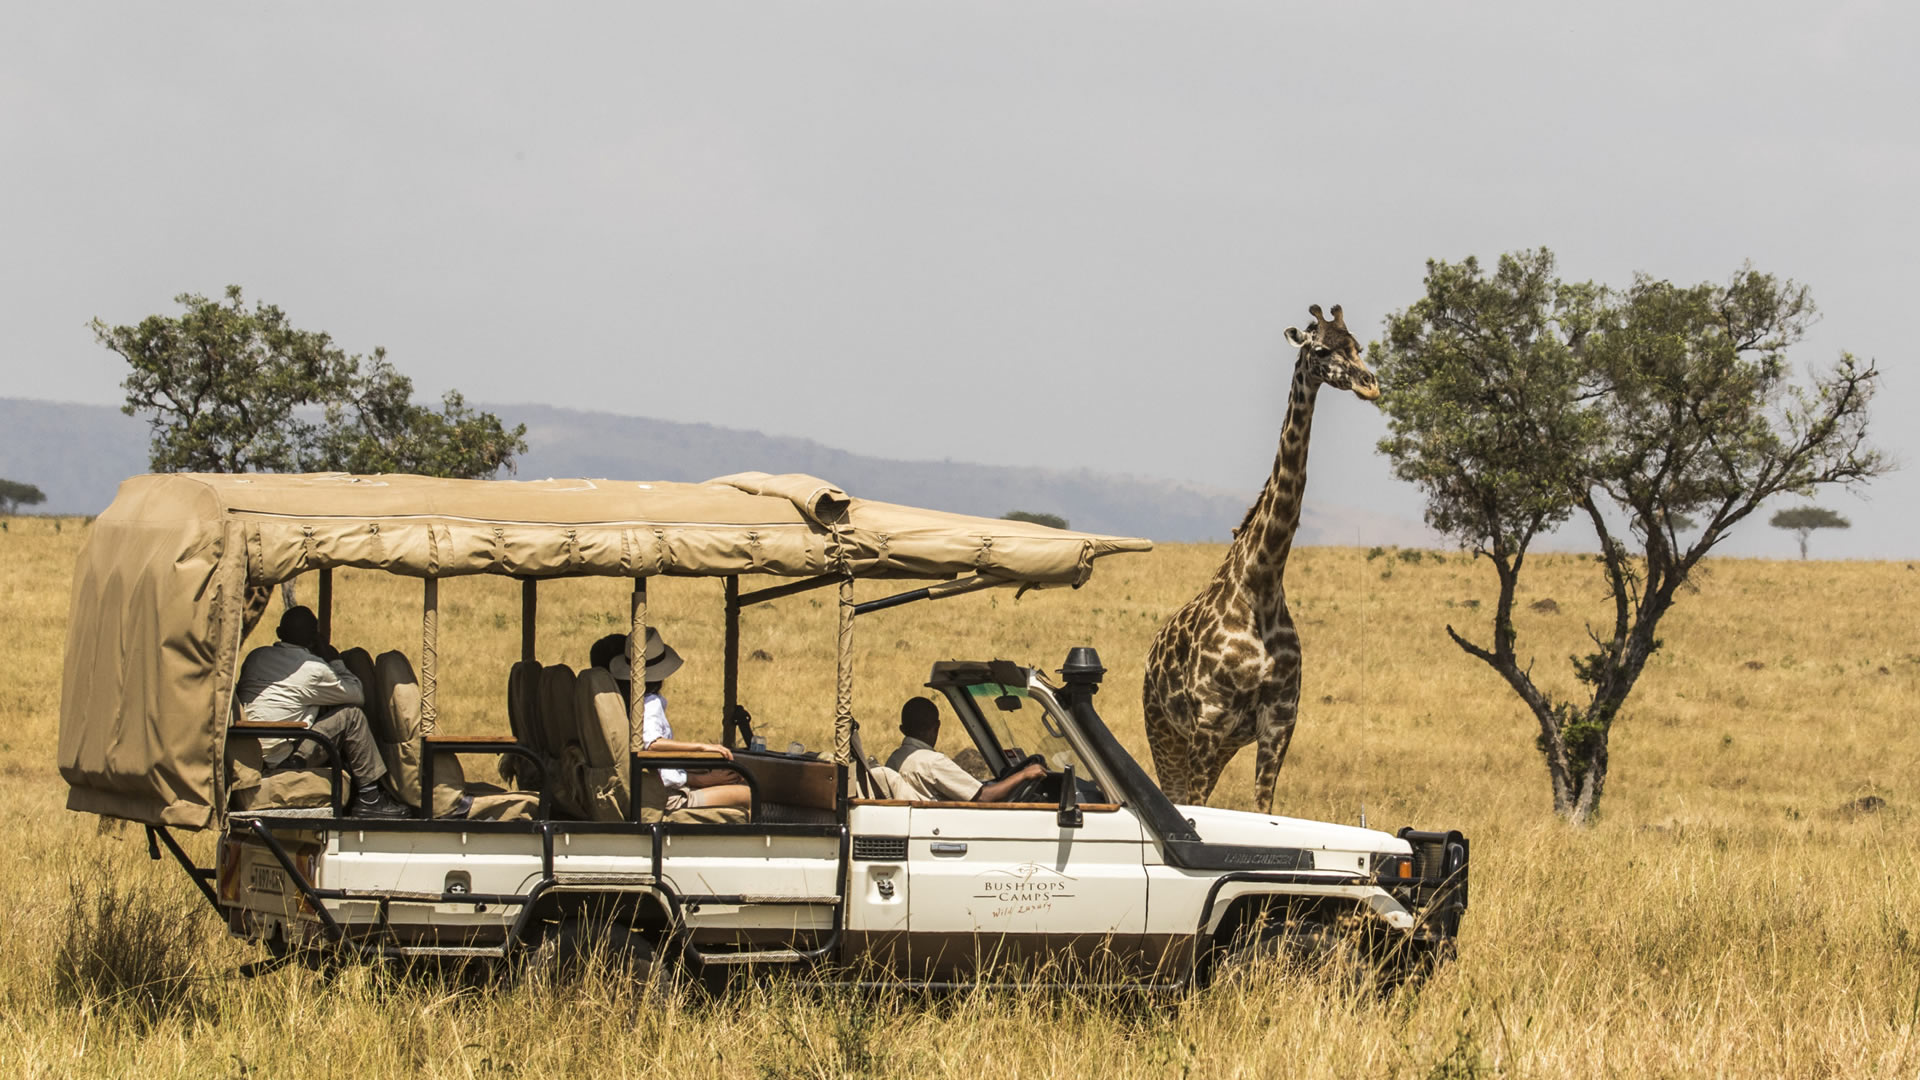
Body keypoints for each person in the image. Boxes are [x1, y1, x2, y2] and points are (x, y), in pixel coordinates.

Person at [235, 606, 411, 819]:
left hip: (251, 752)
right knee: (352, 716)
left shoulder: (256, 656)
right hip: (282, 757)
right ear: (313, 639)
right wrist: (334, 660)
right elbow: (357, 695)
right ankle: (370, 797)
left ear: (279, 632)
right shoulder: (314, 669)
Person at [626, 628, 752, 811]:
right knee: (748, 794)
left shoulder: (630, 701)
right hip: (666, 797)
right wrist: (701, 750)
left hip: (657, 790)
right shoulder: (649, 702)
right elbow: (651, 744)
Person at [886, 697, 1048, 803]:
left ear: (902, 730)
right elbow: (983, 797)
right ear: (936, 727)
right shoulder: (933, 763)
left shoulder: (895, 759)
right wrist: (1024, 774)